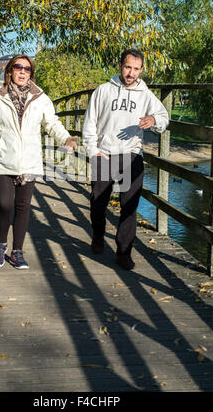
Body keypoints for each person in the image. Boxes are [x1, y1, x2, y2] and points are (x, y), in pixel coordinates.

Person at [0, 54, 77, 270]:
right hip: (4, 159)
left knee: (22, 207)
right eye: (18, 67)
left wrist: (66, 138)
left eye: (27, 69)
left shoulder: (40, 98)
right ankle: (1, 246)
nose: (22, 71)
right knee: (4, 204)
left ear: (31, 73)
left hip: (29, 161)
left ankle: (17, 252)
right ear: (9, 71)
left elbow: (52, 123)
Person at [82, 48, 169, 271]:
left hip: (131, 155)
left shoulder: (145, 94)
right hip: (104, 153)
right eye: (128, 67)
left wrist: (153, 120)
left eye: (136, 69)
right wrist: (93, 151)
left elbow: (163, 118)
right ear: (120, 66)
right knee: (97, 203)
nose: (131, 73)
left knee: (129, 207)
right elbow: (89, 123)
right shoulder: (103, 91)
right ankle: (98, 235)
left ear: (141, 70)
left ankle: (123, 252)